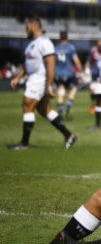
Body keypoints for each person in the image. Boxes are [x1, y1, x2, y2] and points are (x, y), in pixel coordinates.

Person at [7, 16, 77, 150]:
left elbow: (51, 63)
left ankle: (24, 143)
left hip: (39, 78)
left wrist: (49, 84)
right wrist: (18, 77)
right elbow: (27, 65)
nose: (25, 30)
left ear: (33, 27)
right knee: (44, 110)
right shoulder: (33, 43)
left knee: (27, 105)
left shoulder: (44, 42)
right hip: (34, 77)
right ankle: (69, 135)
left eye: (27, 28)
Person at [53, 31, 83, 121]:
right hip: (68, 73)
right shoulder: (70, 47)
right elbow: (77, 62)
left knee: (60, 92)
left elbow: (52, 61)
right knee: (73, 90)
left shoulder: (55, 48)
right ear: (67, 38)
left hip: (57, 73)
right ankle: (67, 109)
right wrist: (80, 73)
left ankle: (60, 113)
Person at [84, 38, 101, 114]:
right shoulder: (93, 51)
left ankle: (100, 108)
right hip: (94, 73)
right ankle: (93, 104)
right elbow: (88, 60)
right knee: (93, 91)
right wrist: (87, 69)